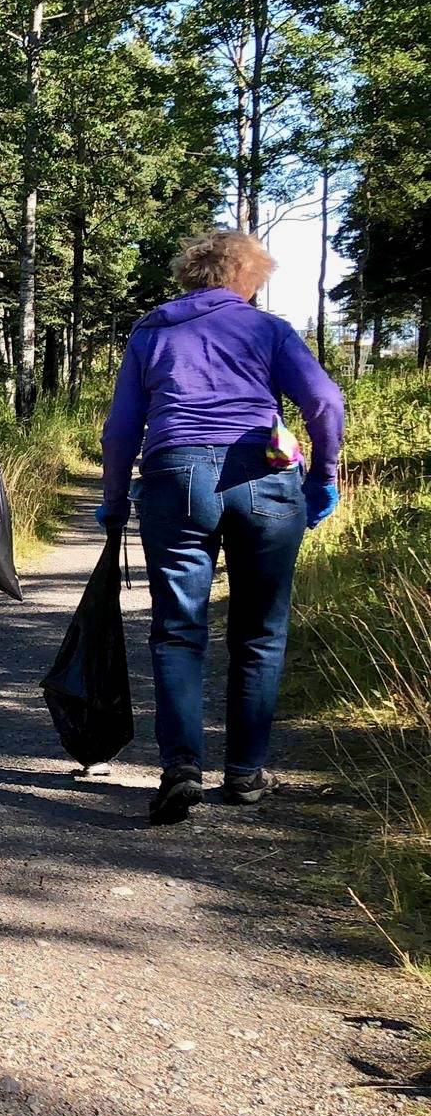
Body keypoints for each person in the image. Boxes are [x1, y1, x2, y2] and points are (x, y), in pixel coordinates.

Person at [98, 230, 344, 825]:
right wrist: (324, 475)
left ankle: (182, 767)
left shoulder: (152, 331)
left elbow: (122, 428)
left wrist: (112, 501)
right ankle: (245, 775)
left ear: (192, 273)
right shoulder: (266, 330)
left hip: (175, 476)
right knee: (260, 631)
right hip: (263, 475)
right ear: (247, 277)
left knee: (178, 630)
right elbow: (325, 404)